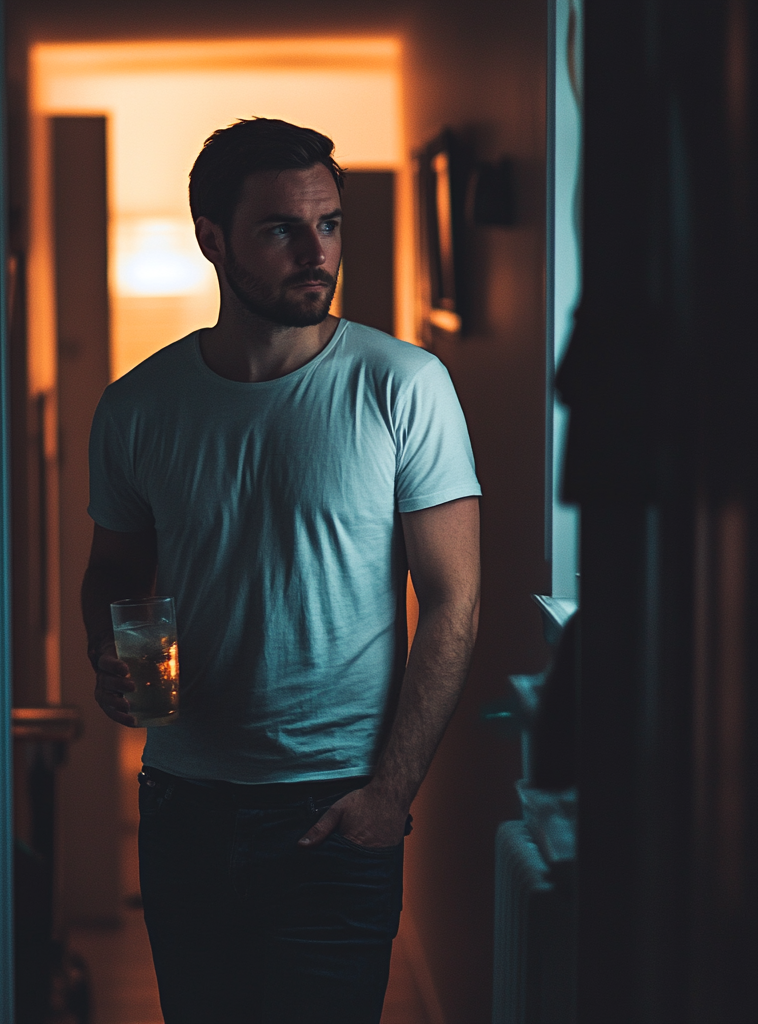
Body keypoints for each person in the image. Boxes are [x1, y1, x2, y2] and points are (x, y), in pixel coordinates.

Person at [82, 117, 481, 1024]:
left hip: (334, 810)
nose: (317, 252)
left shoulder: (403, 386)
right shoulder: (140, 405)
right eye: (281, 230)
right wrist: (108, 653)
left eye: (330, 224)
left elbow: (454, 600)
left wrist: (391, 794)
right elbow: (112, 569)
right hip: (185, 801)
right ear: (213, 241)